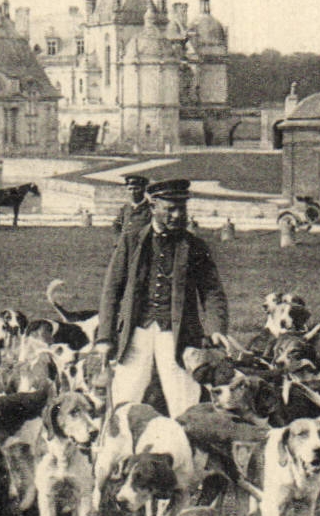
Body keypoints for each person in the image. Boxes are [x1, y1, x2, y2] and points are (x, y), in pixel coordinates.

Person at [91, 179, 234, 418]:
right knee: (124, 399)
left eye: (182, 209)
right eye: (170, 209)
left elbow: (212, 290)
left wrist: (216, 327)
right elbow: (111, 290)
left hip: (178, 335)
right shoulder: (131, 240)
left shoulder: (195, 246)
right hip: (136, 332)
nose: (178, 215)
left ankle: (186, 449)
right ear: (153, 206)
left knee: (185, 402)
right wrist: (105, 337)